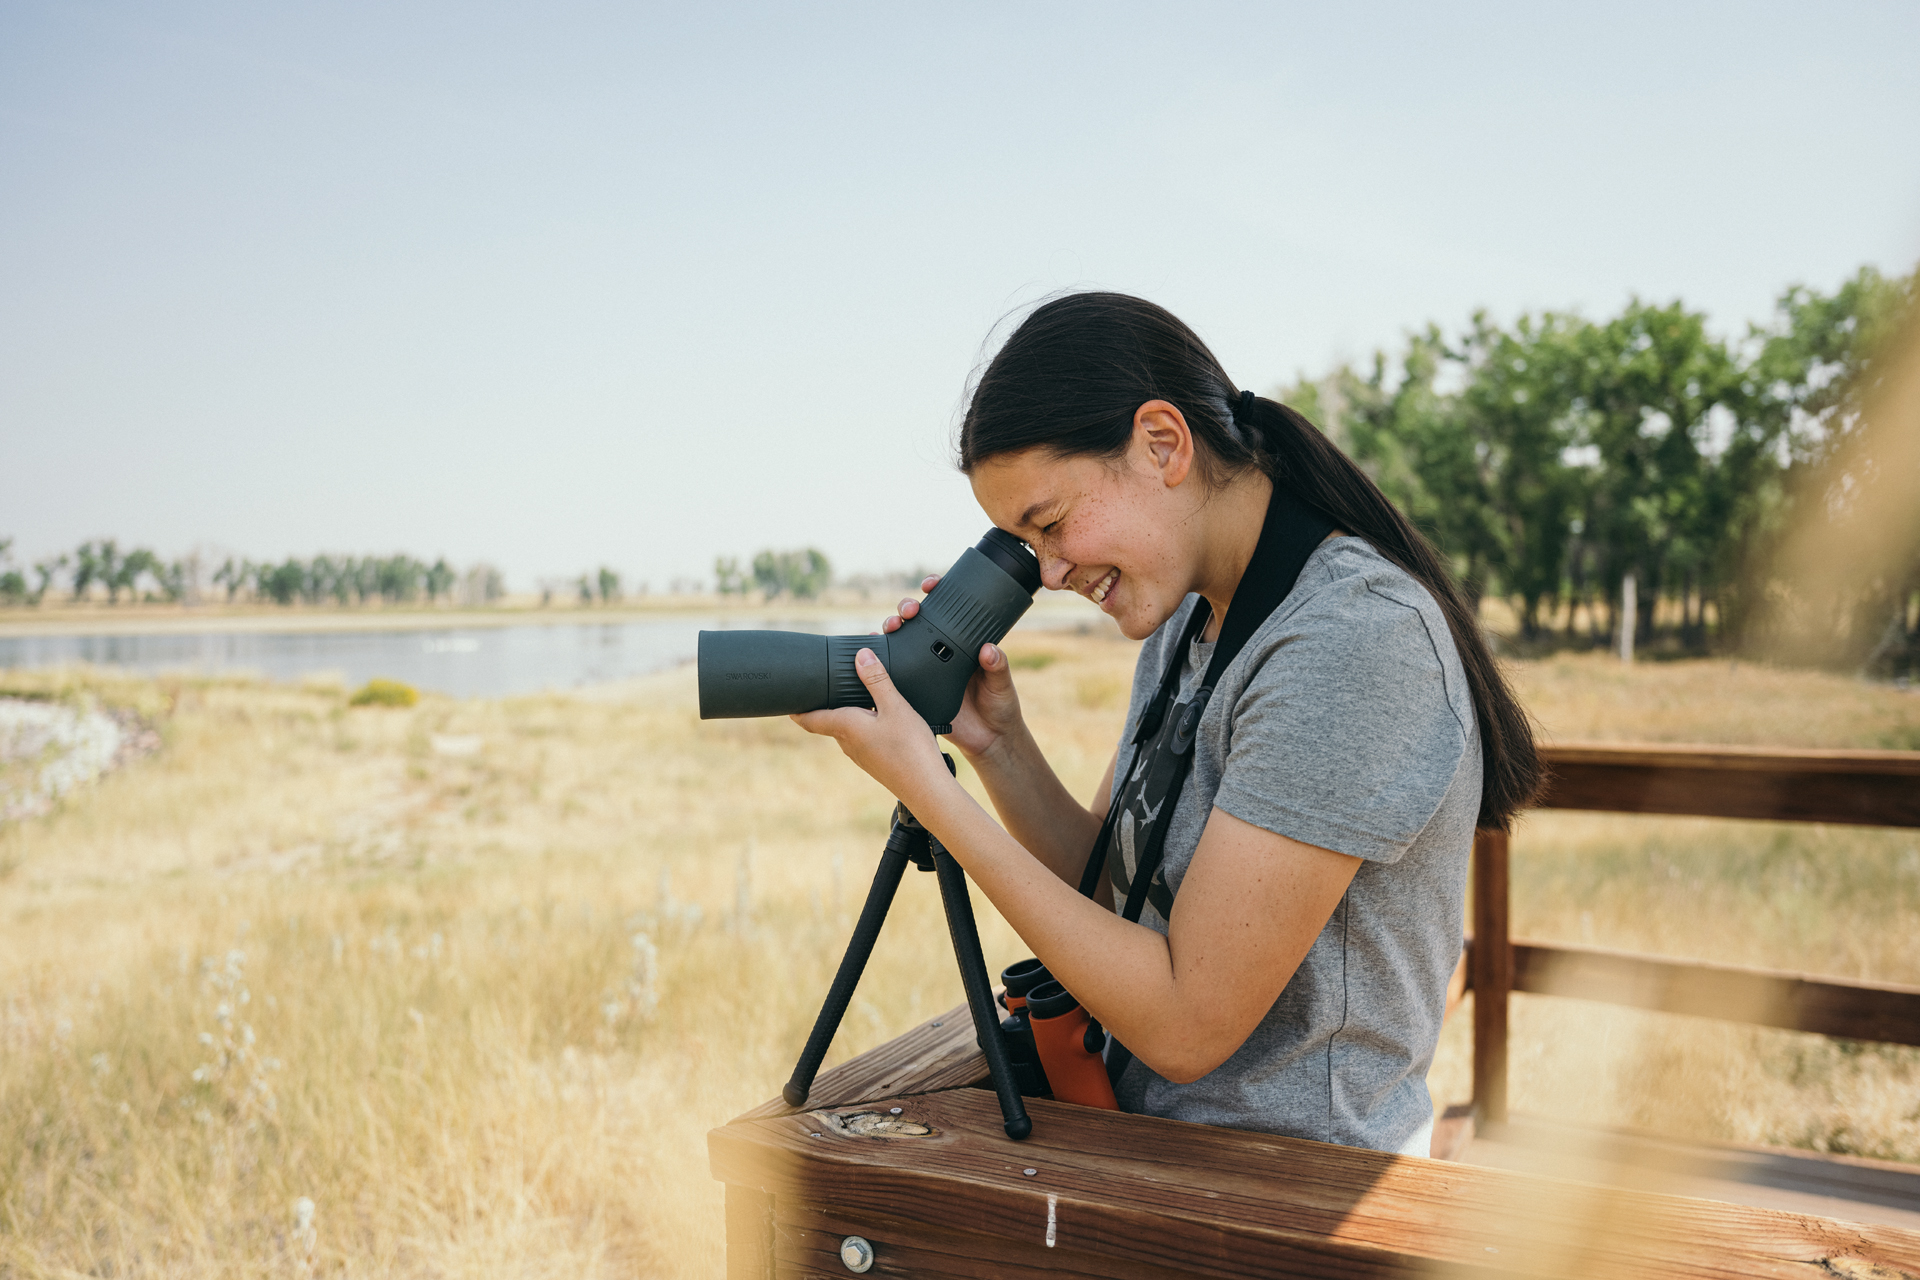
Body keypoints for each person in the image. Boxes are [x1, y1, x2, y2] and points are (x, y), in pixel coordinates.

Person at [793, 292, 1541, 1157]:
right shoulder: (1194, 618)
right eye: (1026, 547)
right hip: (1162, 1156)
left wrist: (926, 792)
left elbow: (1188, 1027)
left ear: (1163, 443)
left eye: (1051, 523)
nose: (1053, 571)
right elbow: (1114, 895)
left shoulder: (1353, 640)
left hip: (1293, 1189)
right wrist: (996, 747)